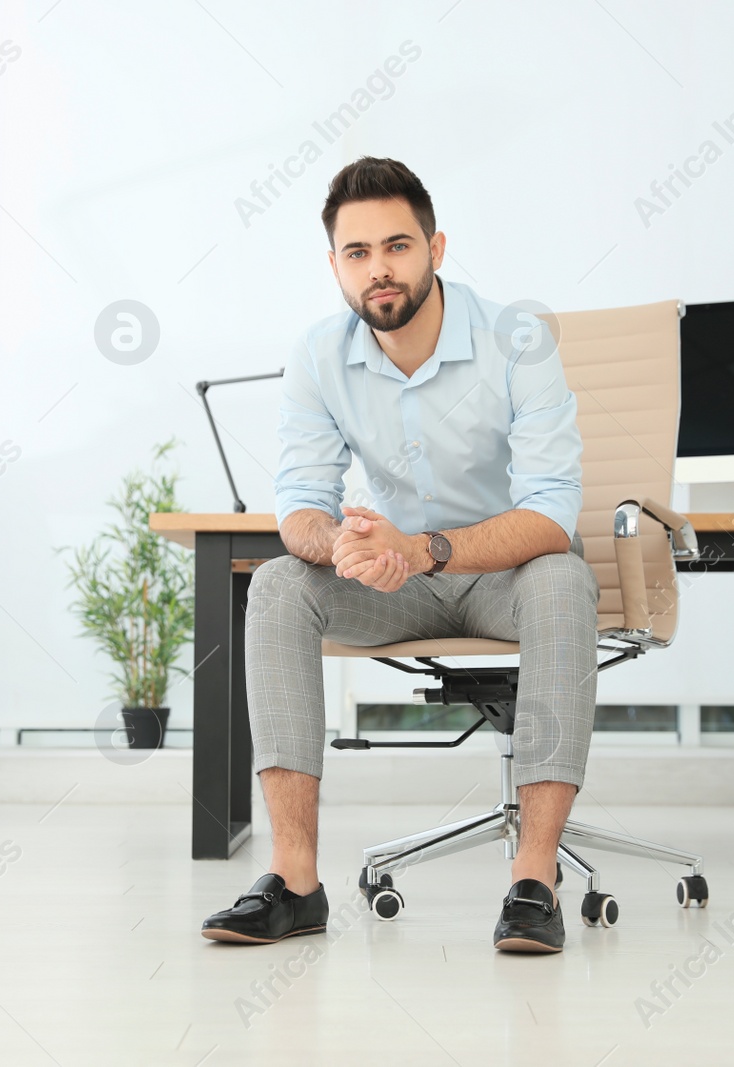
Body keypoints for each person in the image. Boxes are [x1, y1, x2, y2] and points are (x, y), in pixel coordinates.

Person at [200, 157, 597, 953]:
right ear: (336, 266)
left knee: (563, 577)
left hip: (503, 576)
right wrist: (347, 546)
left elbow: (552, 511)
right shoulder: (319, 354)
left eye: (397, 246)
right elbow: (299, 510)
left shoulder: (516, 337)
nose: (378, 269)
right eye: (357, 253)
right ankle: (295, 881)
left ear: (435, 248)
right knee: (279, 582)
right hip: (397, 581)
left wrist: (421, 549)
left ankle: (534, 879)